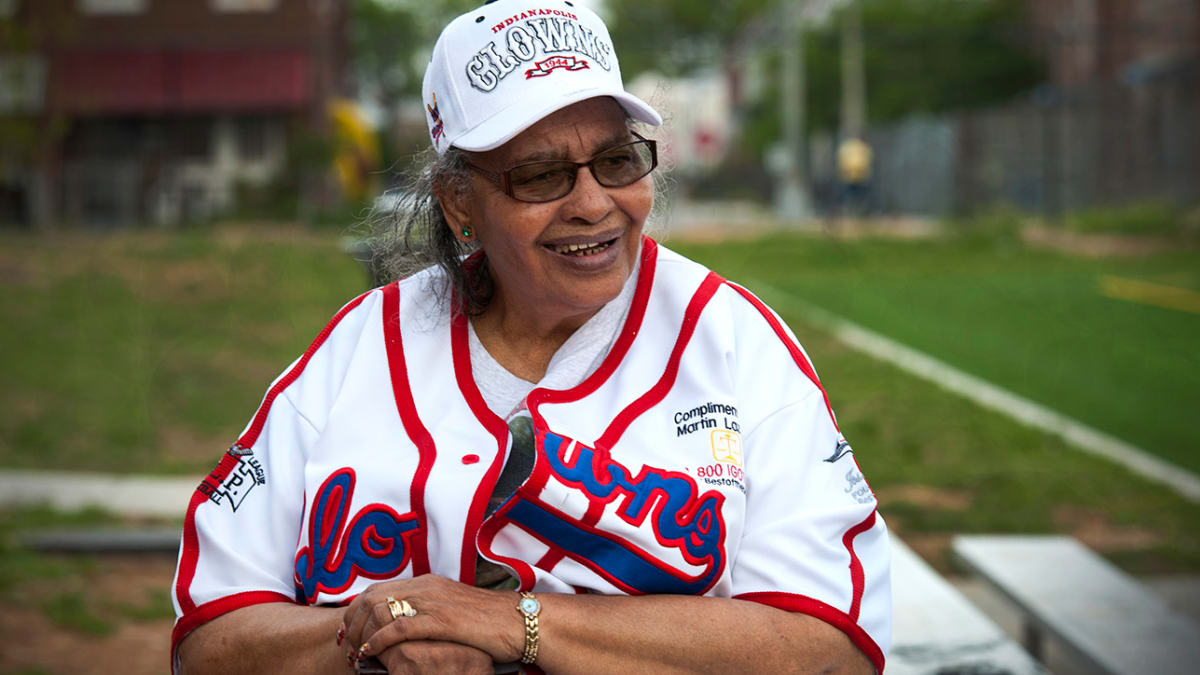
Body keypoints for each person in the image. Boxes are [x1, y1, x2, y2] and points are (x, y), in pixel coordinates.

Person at [170, 1, 891, 673]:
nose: (592, 204)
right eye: (541, 175)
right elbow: (208, 639)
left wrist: (517, 622)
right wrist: (379, 634)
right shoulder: (358, 350)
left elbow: (835, 644)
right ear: (460, 204)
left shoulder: (731, 343)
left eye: (616, 160)